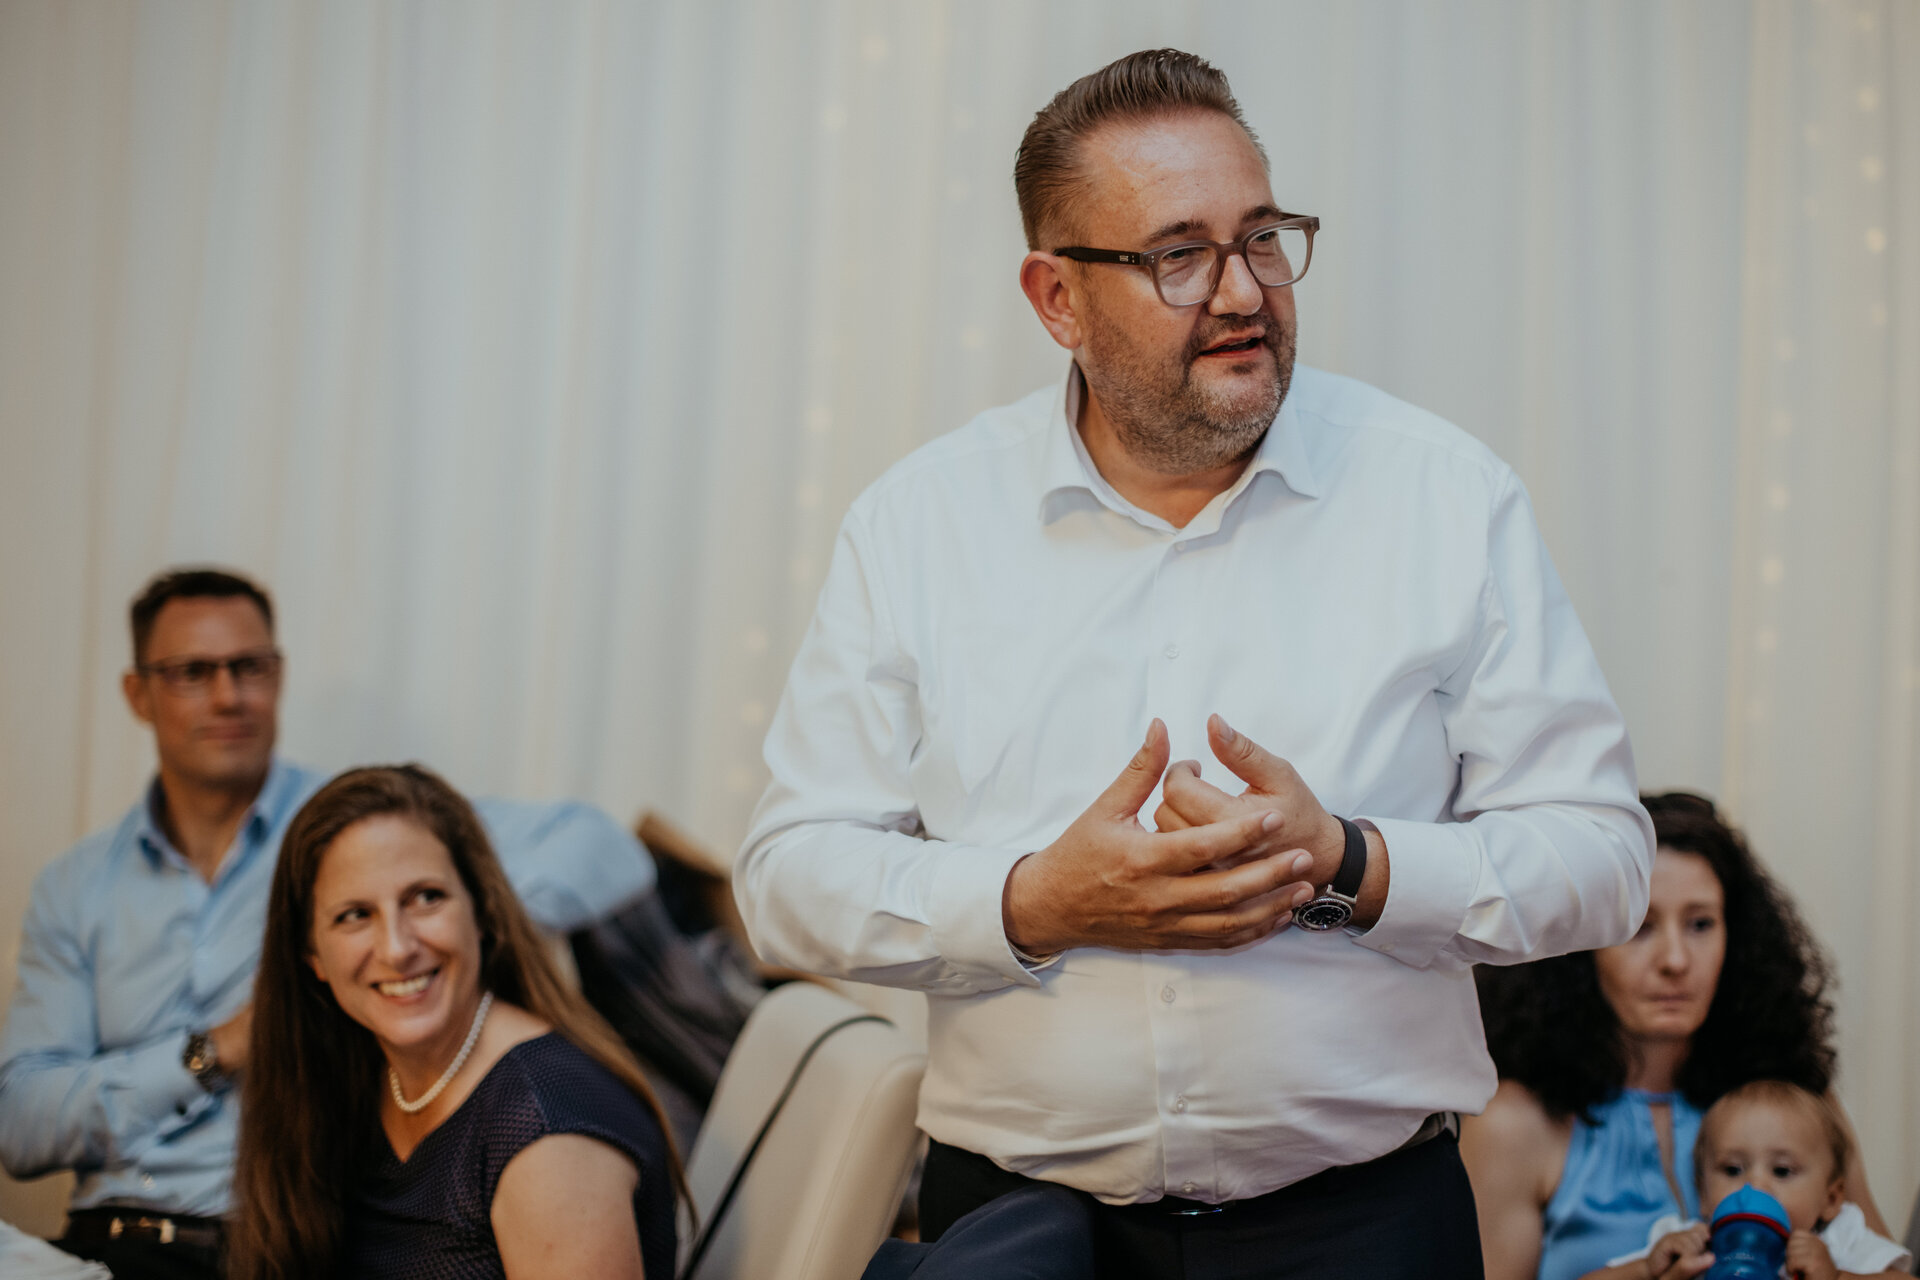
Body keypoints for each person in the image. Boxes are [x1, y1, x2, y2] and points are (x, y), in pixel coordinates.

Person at [735, 48, 1653, 1279]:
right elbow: (789, 875)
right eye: (1180, 254)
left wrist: (1351, 864)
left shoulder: (1445, 497)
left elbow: (1602, 856)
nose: (1243, 290)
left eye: (1262, 237)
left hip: (1366, 1227)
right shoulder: (918, 525)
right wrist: (1031, 903)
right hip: (1020, 1230)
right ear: (1057, 298)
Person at [0, 568, 656, 1280]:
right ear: (138, 694)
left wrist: (437, 942)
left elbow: (603, 846)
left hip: (263, 1238)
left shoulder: (359, 831)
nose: (227, 696)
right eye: (193, 672)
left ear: (278, 675)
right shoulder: (76, 887)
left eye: (249, 667)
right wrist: (218, 1048)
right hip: (108, 1234)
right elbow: (19, 1126)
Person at [227, 765, 680, 1280]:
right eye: (355, 915)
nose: (397, 948)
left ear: (483, 909)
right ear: (312, 955)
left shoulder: (548, 1129)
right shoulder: (355, 1074)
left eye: (426, 897)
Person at [1463, 793, 1892, 1280]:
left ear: (1738, 939)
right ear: (1580, 943)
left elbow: (1884, 1266)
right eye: (1639, 927)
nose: (1675, 960)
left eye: (1700, 924)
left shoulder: (1796, 1106)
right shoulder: (1514, 1124)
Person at [1597, 1081, 1909, 1280]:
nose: (1754, 1187)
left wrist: (1838, 1277)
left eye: (1782, 1171)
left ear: (1831, 1198)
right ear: (1702, 1194)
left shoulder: (1840, 1239)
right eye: (1733, 1170)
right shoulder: (1688, 1244)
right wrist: (1645, 1270)